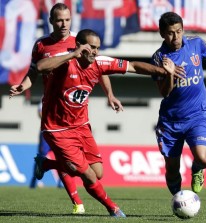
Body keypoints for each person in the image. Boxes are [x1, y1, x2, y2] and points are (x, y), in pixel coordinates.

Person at [9, 28, 184, 217]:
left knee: (97, 172)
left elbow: (133, 66)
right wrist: (73, 55)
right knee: (87, 174)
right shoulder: (64, 62)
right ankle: (113, 208)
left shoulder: (99, 62)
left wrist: (163, 71)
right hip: (57, 129)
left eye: (97, 48)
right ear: (78, 46)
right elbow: (41, 67)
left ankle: (47, 165)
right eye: (91, 47)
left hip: (82, 126)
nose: (95, 52)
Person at [12, 3, 124, 214]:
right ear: (51, 21)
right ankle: (101, 207)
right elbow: (34, 72)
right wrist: (23, 85)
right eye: (59, 20)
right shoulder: (41, 45)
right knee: (80, 170)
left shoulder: (79, 41)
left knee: (96, 172)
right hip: (55, 114)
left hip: (79, 116)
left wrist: (110, 94)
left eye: (67, 19)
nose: (63, 24)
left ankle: (47, 165)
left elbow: (100, 66)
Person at [151, 12, 206, 196]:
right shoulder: (159, 58)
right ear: (162, 34)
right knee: (172, 168)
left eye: (179, 31)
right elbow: (164, 93)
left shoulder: (196, 43)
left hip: (197, 115)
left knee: (204, 159)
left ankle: (197, 170)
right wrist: (171, 74)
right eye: (171, 33)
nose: (176, 37)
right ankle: (178, 199)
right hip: (170, 121)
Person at [29, 100, 63, 189]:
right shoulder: (44, 100)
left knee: (61, 157)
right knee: (41, 157)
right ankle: (34, 180)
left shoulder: (61, 99)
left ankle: (62, 181)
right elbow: (40, 113)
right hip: (46, 132)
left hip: (58, 133)